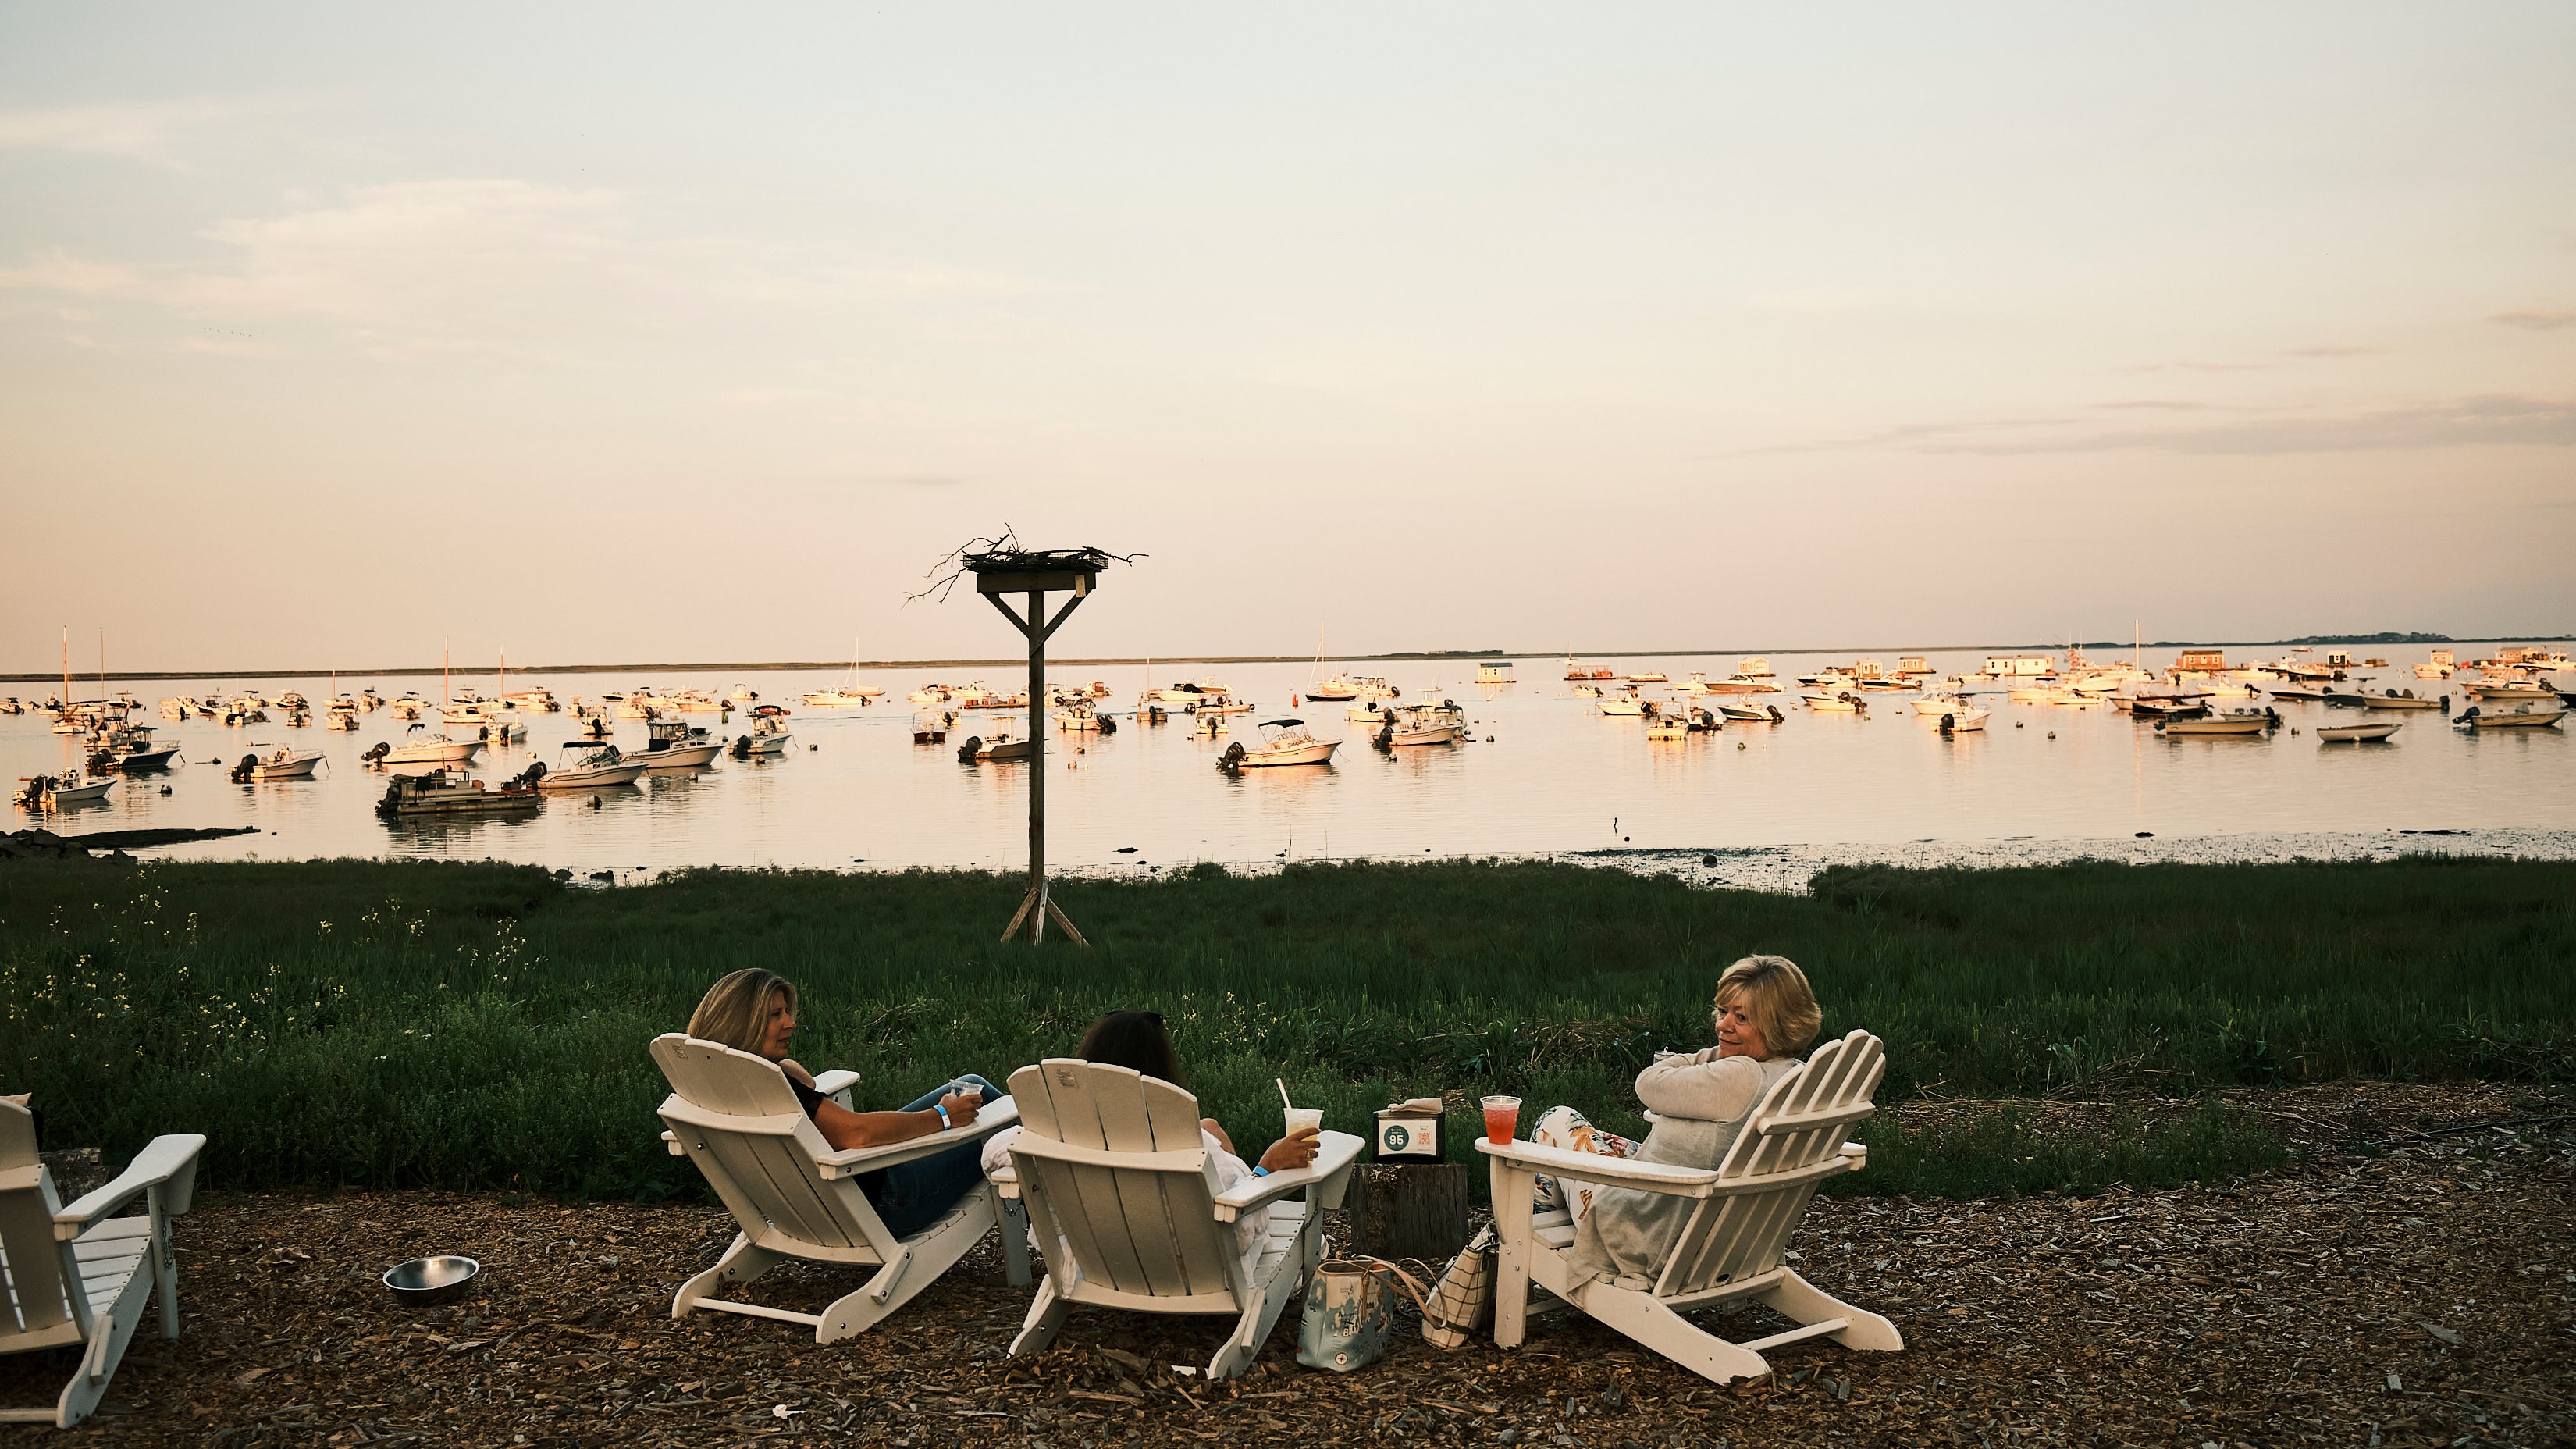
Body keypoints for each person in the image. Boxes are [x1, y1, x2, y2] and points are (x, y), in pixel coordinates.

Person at [1530, 955, 1823, 1286]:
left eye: (1741, 1018)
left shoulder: (1738, 1076)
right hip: (1721, 1236)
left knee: (1556, 1121)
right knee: (1591, 1138)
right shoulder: (1793, 1074)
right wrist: (1727, 1049)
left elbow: (1648, 1083)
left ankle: (1535, 1258)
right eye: (1722, 1011)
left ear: (1778, 1024)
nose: (1723, 1025)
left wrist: (1712, 1055)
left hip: (1648, 1233)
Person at [980, 1009, 1318, 1275]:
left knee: (1210, 1126)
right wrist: (1265, 1168)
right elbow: (1243, 1224)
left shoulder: (1052, 1138)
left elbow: (992, 1154)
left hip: (1095, 1257)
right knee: (1218, 1147)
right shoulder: (1190, 1145)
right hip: (1189, 1267)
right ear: (1158, 1070)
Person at [685, 967, 997, 1240]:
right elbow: (857, 1134)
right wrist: (942, 1116)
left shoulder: (721, 1084)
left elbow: (807, 1084)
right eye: (775, 1015)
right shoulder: (765, 1087)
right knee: (1001, 1116)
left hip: (807, 1209)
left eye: (787, 1012)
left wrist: (780, 1065)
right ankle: (1038, 1209)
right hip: (883, 1202)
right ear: (742, 1023)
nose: (790, 1023)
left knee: (975, 1084)